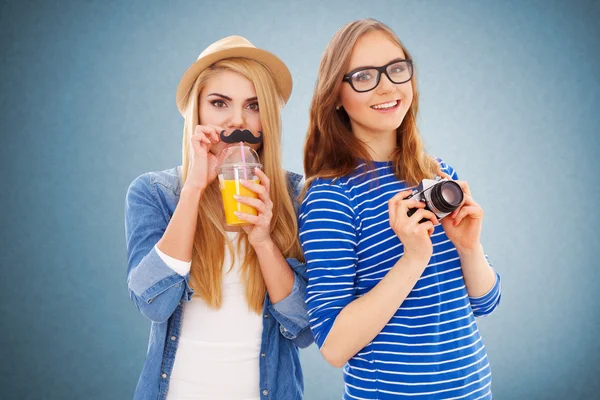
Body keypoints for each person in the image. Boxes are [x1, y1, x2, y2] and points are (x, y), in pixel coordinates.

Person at [299, 19, 501, 399]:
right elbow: (333, 346)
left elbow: (485, 302)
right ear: (336, 96)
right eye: (363, 76)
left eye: (396, 69)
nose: (388, 86)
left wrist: (470, 248)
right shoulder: (331, 197)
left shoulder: (437, 174)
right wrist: (412, 259)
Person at [125, 35, 312, 400]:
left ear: (268, 118)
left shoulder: (298, 196)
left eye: (254, 105)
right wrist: (194, 189)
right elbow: (153, 303)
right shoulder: (154, 193)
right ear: (197, 112)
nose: (237, 120)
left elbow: (305, 326)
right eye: (219, 103)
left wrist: (262, 240)